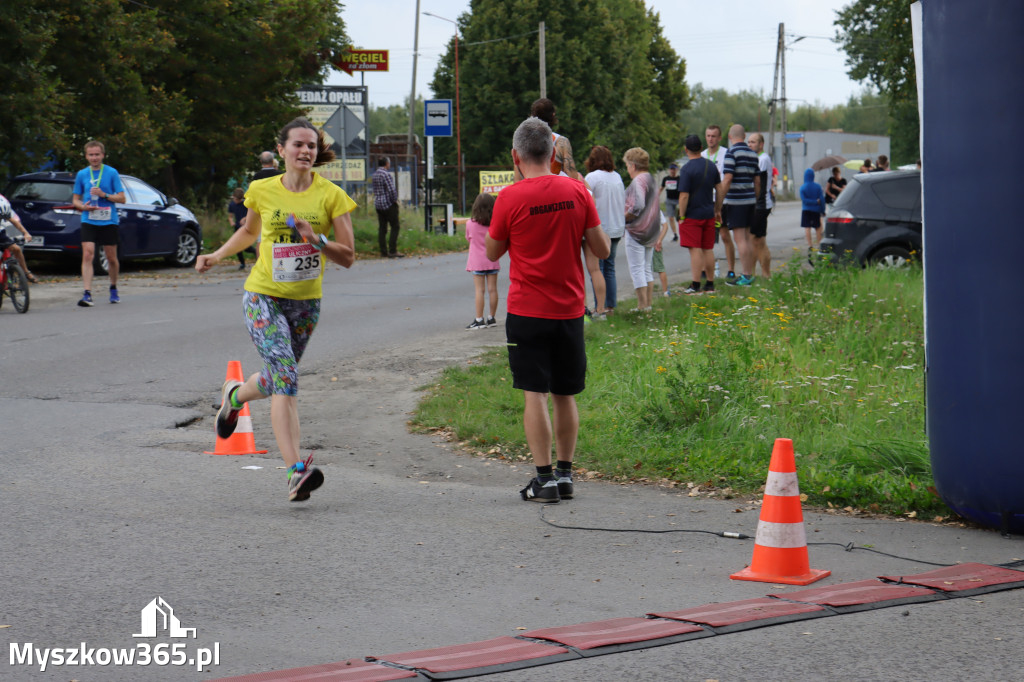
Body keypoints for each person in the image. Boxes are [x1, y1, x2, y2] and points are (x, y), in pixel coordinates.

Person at [195, 117, 356, 503]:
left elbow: (348, 257)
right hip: (262, 295)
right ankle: (295, 471)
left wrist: (315, 238)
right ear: (281, 150)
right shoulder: (261, 190)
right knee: (286, 377)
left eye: (312, 146)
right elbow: (250, 231)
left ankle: (234, 397)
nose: (305, 151)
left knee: (278, 378)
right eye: (298, 144)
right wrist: (217, 255)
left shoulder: (331, 195)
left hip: (305, 303)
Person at [485, 116, 609, 503]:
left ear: (515, 156)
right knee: (565, 394)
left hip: (527, 310)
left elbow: (492, 252)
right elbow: (602, 250)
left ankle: (544, 479)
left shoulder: (509, 197)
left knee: (533, 393)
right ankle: (567, 474)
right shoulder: (577, 191)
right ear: (554, 153)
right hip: (570, 309)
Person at [530, 98, 606, 317]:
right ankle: (577, 307)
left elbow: (518, 180)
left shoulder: (522, 143)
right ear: (553, 117)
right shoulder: (560, 142)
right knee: (572, 262)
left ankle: (544, 307)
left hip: (534, 204)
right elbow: (572, 174)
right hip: (560, 202)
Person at [71, 140, 125, 306]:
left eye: (97, 154)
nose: (94, 158)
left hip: (108, 219)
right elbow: (75, 200)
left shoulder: (111, 173)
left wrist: (104, 195)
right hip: (89, 218)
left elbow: (122, 198)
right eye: (91, 155)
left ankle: (113, 287)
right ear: (86, 156)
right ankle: (87, 293)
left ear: (103, 155)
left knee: (111, 258)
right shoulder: (82, 174)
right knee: (88, 254)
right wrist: (83, 207)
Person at [676, 134, 723, 294]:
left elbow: (683, 196)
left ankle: (695, 284)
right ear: (701, 147)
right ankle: (710, 284)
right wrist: (717, 209)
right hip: (709, 213)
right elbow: (720, 189)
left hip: (692, 215)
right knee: (707, 249)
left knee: (695, 249)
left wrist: (681, 216)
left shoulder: (687, 169)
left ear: (686, 149)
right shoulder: (710, 166)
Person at [584, 145, 625, 313]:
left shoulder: (592, 177)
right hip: (616, 227)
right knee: (610, 268)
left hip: (600, 228)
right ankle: (611, 305)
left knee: (596, 270)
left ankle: (599, 306)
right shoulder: (617, 177)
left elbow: (587, 202)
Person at [720, 124, 761, 286]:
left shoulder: (731, 153)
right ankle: (749, 273)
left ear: (730, 137)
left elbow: (728, 178)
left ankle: (745, 276)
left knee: (740, 239)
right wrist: (755, 198)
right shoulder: (752, 154)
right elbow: (757, 181)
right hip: (750, 201)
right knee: (748, 239)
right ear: (744, 136)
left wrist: (720, 200)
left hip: (736, 201)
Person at [622, 147, 661, 311]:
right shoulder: (650, 179)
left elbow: (638, 204)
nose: (627, 168)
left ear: (633, 165)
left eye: (627, 165)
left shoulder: (638, 181)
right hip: (651, 230)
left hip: (637, 230)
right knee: (646, 268)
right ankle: (648, 304)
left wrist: (625, 217)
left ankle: (642, 305)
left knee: (637, 269)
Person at [463, 192, 500, 329]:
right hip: (492, 259)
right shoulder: (494, 224)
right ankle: (491, 318)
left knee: (480, 290)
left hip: (477, 261)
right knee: (493, 289)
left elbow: (468, 238)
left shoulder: (470, 224)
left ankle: (479, 319)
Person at [701, 124, 733, 280]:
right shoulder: (702, 155)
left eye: (713, 136)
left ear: (719, 138)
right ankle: (704, 269)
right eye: (708, 136)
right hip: (706, 201)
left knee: (725, 235)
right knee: (705, 238)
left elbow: (727, 178)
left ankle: (731, 269)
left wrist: (719, 202)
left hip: (722, 200)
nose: (710, 139)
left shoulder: (726, 153)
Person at [747, 132, 774, 279]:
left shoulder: (762, 159)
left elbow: (760, 185)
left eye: (753, 142)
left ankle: (753, 274)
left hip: (761, 204)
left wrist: (757, 205)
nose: (750, 145)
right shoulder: (756, 158)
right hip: (759, 203)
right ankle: (762, 275)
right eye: (749, 142)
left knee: (754, 240)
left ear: (761, 144)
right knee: (759, 240)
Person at [0, 194, 39, 283]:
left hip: (1, 232)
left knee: (16, 249)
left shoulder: (3, 207)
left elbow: (14, 222)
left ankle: (26, 272)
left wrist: (26, 233)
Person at [372, 157, 403, 258]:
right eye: (389, 163)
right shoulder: (386, 174)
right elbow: (391, 190)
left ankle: (383, 251)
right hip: (388, 204)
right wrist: (395, 200)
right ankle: (393, 250)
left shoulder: (375, 175)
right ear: (386, 164)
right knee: (395, 226)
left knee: (382, 228)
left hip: (378, 204)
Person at [800, 167, 826, 260]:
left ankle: (810, 245)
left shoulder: (802, 187)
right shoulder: (818, 186)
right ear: (813, 176)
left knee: (807, 227)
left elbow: (804, 200)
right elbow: (821, 200)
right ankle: (819, 245)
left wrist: (812, 202)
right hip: (816, 210)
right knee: (818, 228)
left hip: (806, 210)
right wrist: (822, 210)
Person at [227, 188, 250, 270]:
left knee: (247, 248)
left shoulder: (245, 204)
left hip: (245, 227)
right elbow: (230, 216)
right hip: (237, 227)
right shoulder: (232, 205)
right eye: (236, 199)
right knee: (237, 247)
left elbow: (252, 214)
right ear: (233, 197)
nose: (237, 201)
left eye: (239, 199)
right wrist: (231, 222)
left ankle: (258, 256)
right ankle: (242, 264)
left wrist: (245, 218)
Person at [652, 210, 671, 297]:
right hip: (655, 242)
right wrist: (659, 239)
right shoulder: (656, 209)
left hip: (644, 242)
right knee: (660, 267)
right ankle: (665, 291)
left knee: (644, 270)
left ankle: (646, 293)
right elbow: (665, 226)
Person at [661, 163, 681, 242]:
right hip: (669, 200)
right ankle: (675, 234)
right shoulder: (666, 179)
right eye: (671, 169)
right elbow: (661, 188)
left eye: (674, 169)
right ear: (669, 170)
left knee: (680, 218)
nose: (673, 171)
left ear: (677, 170)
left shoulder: (680, 179)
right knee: (670, 217)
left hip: (678, 200)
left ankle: (683, 233)